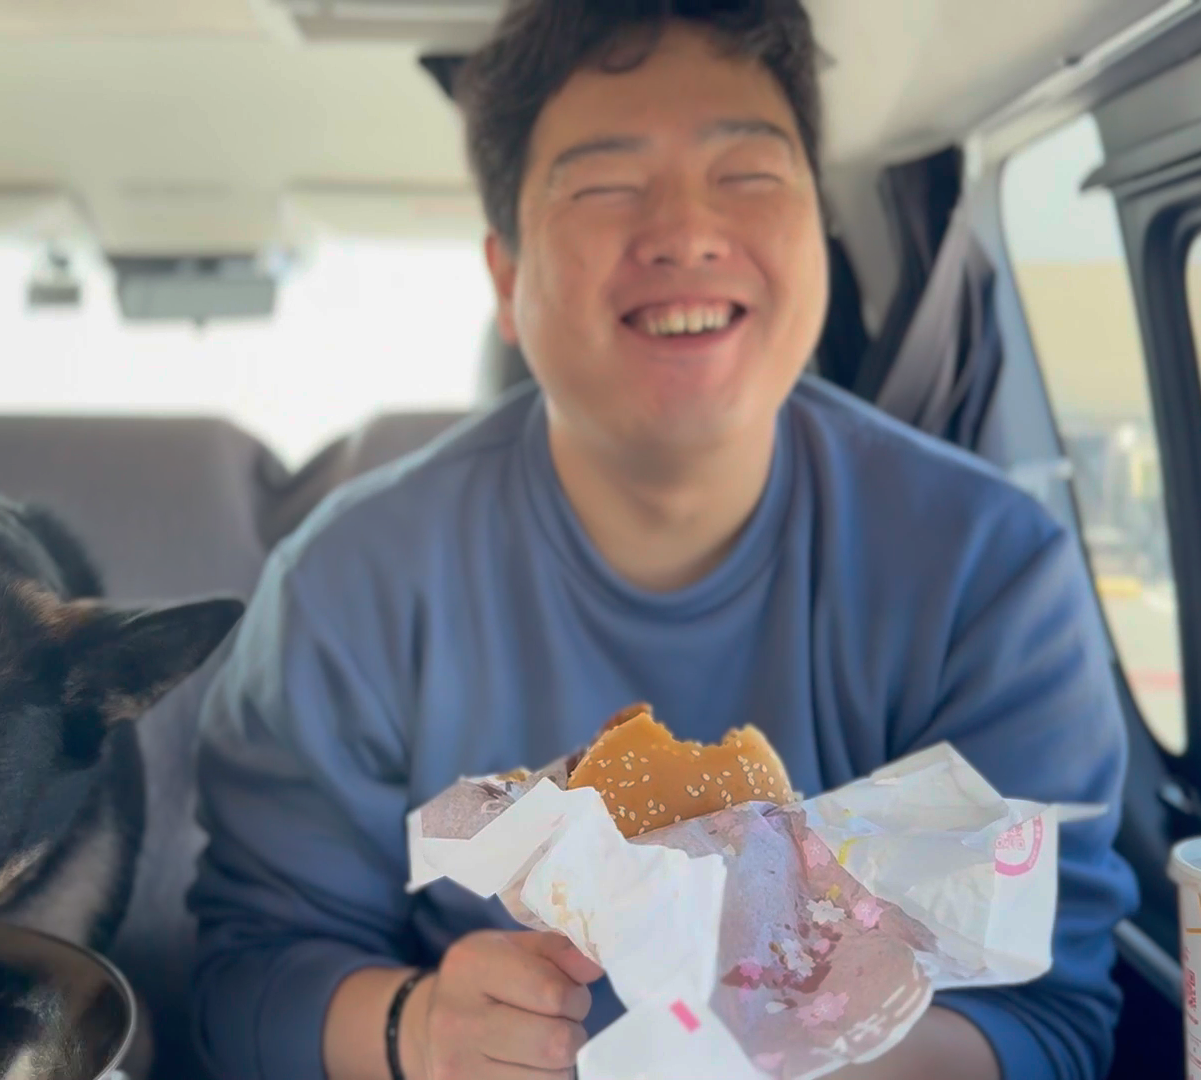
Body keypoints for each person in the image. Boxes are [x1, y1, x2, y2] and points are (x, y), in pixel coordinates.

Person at [188, 1, 1139, 1077]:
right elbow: (248, 981)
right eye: (605, 184)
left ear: (817, 232)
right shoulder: (347, 587)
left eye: (749, 173)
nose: (687, 232)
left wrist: (801, 1055)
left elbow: (1049, 1014)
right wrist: (427, 1031)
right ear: (505, 277)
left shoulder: (990, 573)